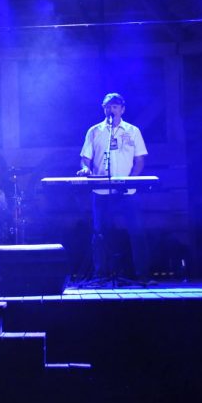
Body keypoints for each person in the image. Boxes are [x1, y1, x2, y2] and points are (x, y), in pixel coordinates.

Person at [78, 92, 150, 282]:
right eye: (108, 106)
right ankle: (101, 274)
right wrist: (85, 168)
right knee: (99, 232)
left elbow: (140, 159)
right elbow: (85, 158)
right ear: (104, 109)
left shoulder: (133, 131)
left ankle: (142, 275)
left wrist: (131, 180)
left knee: (137, 231)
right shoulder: (94, 131)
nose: (111, 109)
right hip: (101, 189)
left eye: (115, 106)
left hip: (127, 191)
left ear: (122, 109)